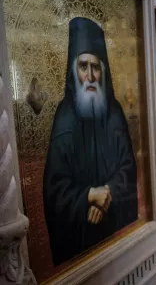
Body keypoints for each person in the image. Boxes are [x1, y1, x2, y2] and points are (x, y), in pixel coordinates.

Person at [43, 17, 138, 266]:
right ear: (74, 71)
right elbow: (54, 191)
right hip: (78, 241)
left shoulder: (114, 111)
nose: (90, 75)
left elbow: (128, 169)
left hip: (117, 235)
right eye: (83, 66)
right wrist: (87, 196)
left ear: (103, 70)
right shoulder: (64, 117)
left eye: (96, 67)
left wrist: (106, 196)